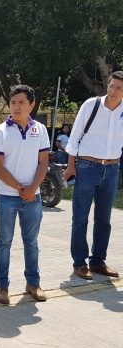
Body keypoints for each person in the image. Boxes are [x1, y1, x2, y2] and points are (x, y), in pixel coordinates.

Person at [0, 85, 50, 304]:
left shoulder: (40, 130)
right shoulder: (0, 132)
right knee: (4, 241)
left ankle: (33, 283)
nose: (16, 107)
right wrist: (20, 188)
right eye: (13, 102)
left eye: (22, 102)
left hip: (33, 196)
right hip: (7, 196)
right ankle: (2, 287)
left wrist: (33, 188)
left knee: (31, 242)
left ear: (32, 105)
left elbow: (43, 162)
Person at [64, 71, 123, 280]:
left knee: (104, 219)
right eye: (112, 86)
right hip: (87, 167)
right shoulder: (92, 105)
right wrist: (71, 166)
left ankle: (98, 261)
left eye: (119, 88)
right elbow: (75, 137)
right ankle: (79, 263)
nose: (114, 91)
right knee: (80, 218)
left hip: (113, 169)